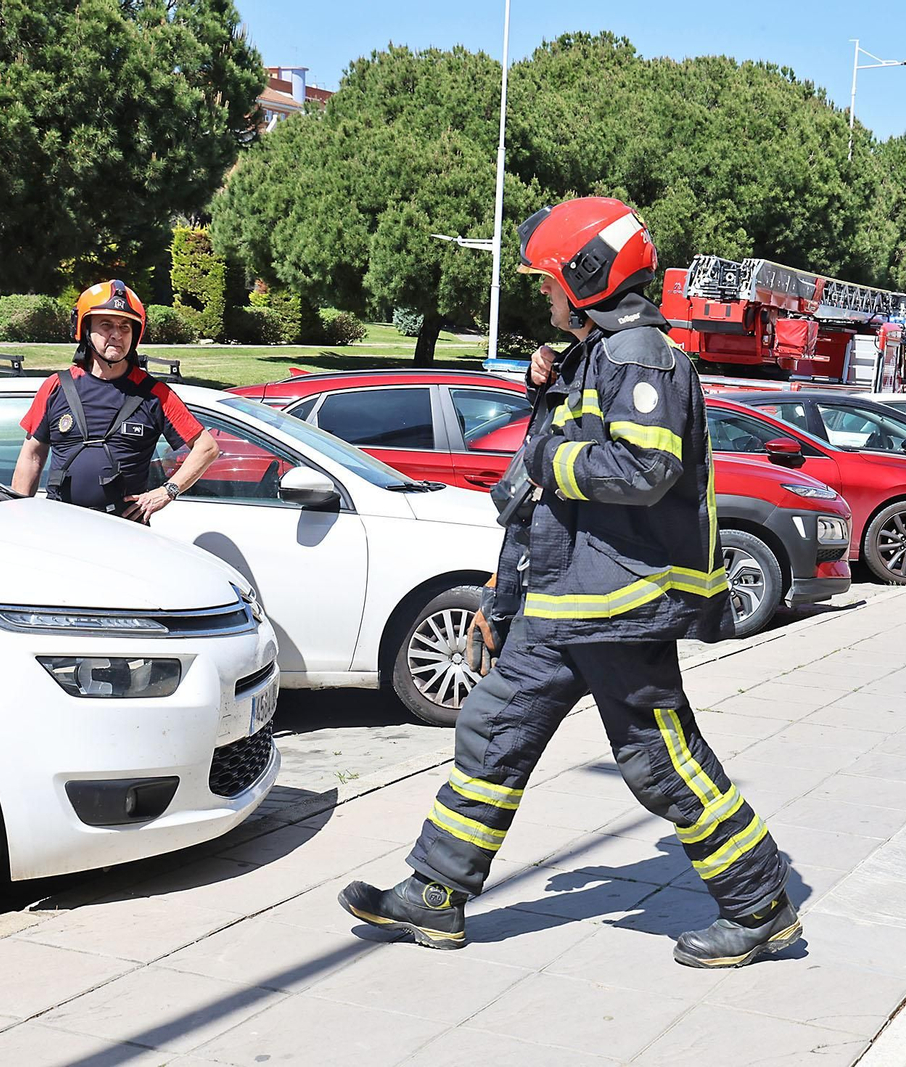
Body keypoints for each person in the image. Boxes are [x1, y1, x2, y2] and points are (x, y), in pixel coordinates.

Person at [340, 197, 800, 969]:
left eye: (550, 280)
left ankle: (761, 906)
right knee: (490, 732)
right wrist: (504, 597)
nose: (544, 294)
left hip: (618, 607)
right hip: (561, 604)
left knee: (662, 762)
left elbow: (644, 465)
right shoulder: (598, 352)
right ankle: (436, 892)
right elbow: (555, 480)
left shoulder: (642, 355)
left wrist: (550, 459)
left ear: (588, 275)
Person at [13, 280, 217, 521]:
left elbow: (207, 448)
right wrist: (18, 519)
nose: (117, 335)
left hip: (124, 531)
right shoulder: (56, 386)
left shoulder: (155, 394)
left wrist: (166, 492)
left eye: (125, 327)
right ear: (85, 329)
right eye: (106, 325)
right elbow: (32, 456)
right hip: (60, 526)